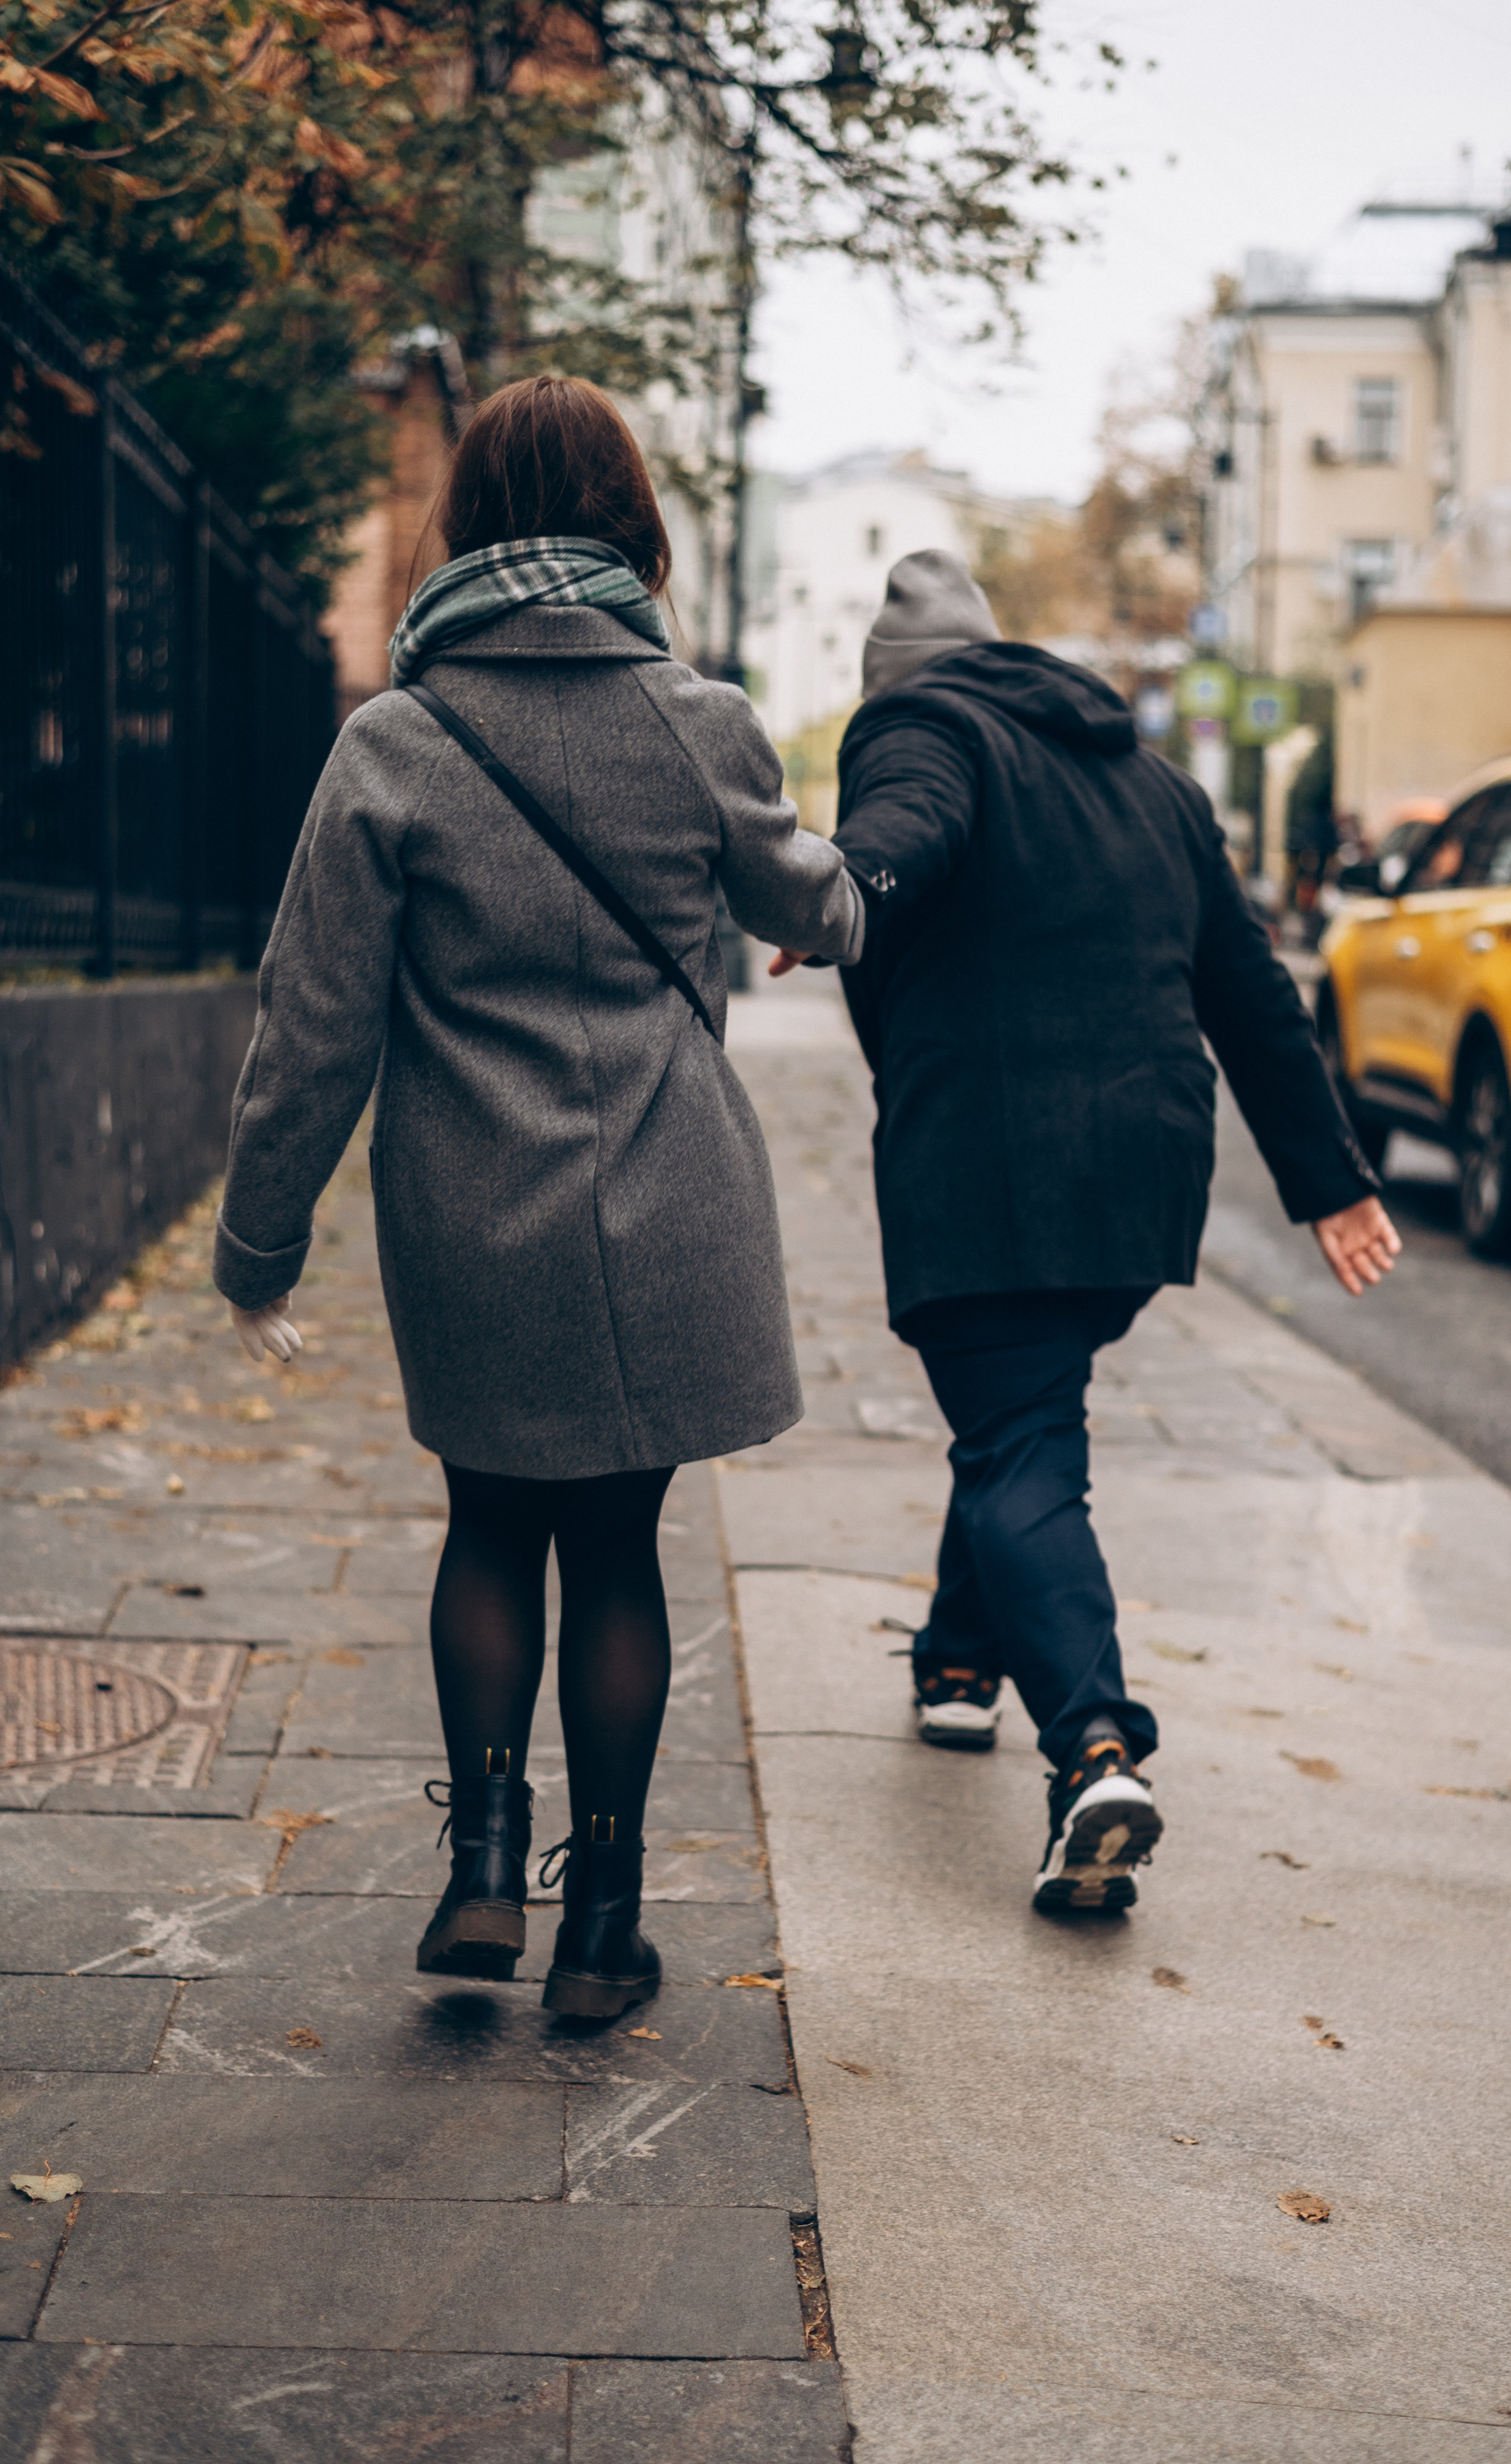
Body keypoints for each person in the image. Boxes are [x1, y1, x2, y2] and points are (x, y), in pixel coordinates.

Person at [213, 378, 864, 2016]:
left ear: (470, 525)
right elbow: (823, 904)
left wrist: (259, 1244)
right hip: (667, 1198)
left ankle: (487, 1868)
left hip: (464, 1204)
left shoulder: (394, 740)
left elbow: (312, 1023)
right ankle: (605, 1927)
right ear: (630, 520)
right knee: (621, 1550)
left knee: (490, 1519)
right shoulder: (700, 719)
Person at [777, 549, 1398, 1917]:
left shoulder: (923, 730)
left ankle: (1093, 1751)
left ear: (898, 685)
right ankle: (954, 1660)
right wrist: (1328, 1179)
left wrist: (834, 891)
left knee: (1019, 1448)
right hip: (1140, 1174)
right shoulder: (1152, 779)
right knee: (1022, 1419)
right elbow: (1248, 992)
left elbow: (903, 835)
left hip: (996, 1166)